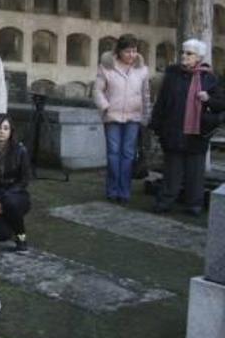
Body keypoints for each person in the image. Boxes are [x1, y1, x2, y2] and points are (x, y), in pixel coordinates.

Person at [150, 39, 225, 215]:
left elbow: (221, 103)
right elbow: (162, 102)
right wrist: (156, 125)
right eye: (183, 52)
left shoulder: (210, 78)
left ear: (199, 57)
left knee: (195, 174)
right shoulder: (172, 75)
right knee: (171, 172)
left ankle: (194, 205)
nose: (184, 56)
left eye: (189, 53)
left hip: (197, 133)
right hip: (173, 130)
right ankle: (165, 202)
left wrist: (208, 99)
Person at [92, 34, 151, 204]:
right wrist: (105, 106)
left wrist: (146, 115)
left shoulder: (142, 69)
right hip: (113, 116)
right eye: (128, 51)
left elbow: (145, 94)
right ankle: (112, 190)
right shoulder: (107, 67)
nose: (132, 55)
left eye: (134, 51)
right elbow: (97, 90)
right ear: (119, 51)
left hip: (133, 117)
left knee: (128, 154)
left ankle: (124, 192)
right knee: (113, 154)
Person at [0, 114, 31, 253]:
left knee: (10, 202)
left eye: (6, 128)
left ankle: (21, 237)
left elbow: (24, 180)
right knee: (0, 235)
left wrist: (2, 199)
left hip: (16, 194)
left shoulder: (20, 150)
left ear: (11, 131)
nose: (2, 131)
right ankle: (4, 224)